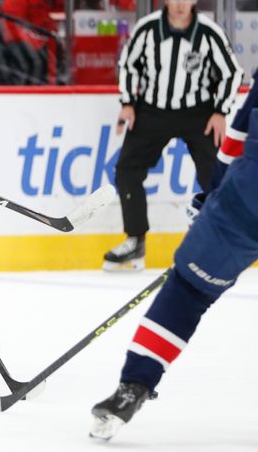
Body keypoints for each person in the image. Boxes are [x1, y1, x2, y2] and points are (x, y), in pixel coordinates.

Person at [89, 70, 258, 441]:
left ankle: (133, 387)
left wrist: (211, 193)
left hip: (247, 201)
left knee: (188, 291)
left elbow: (237, 137)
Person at [104, 0, 242, 272]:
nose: (181, 4)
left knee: (216, 177)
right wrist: (128, 102)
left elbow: (232, 72)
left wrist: (221, 110)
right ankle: (135, 240)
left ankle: (221, 243)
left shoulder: (208, 32)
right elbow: (128, 64)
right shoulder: (147, 28)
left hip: (199, 113)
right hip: (152, 109)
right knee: (127, 169)